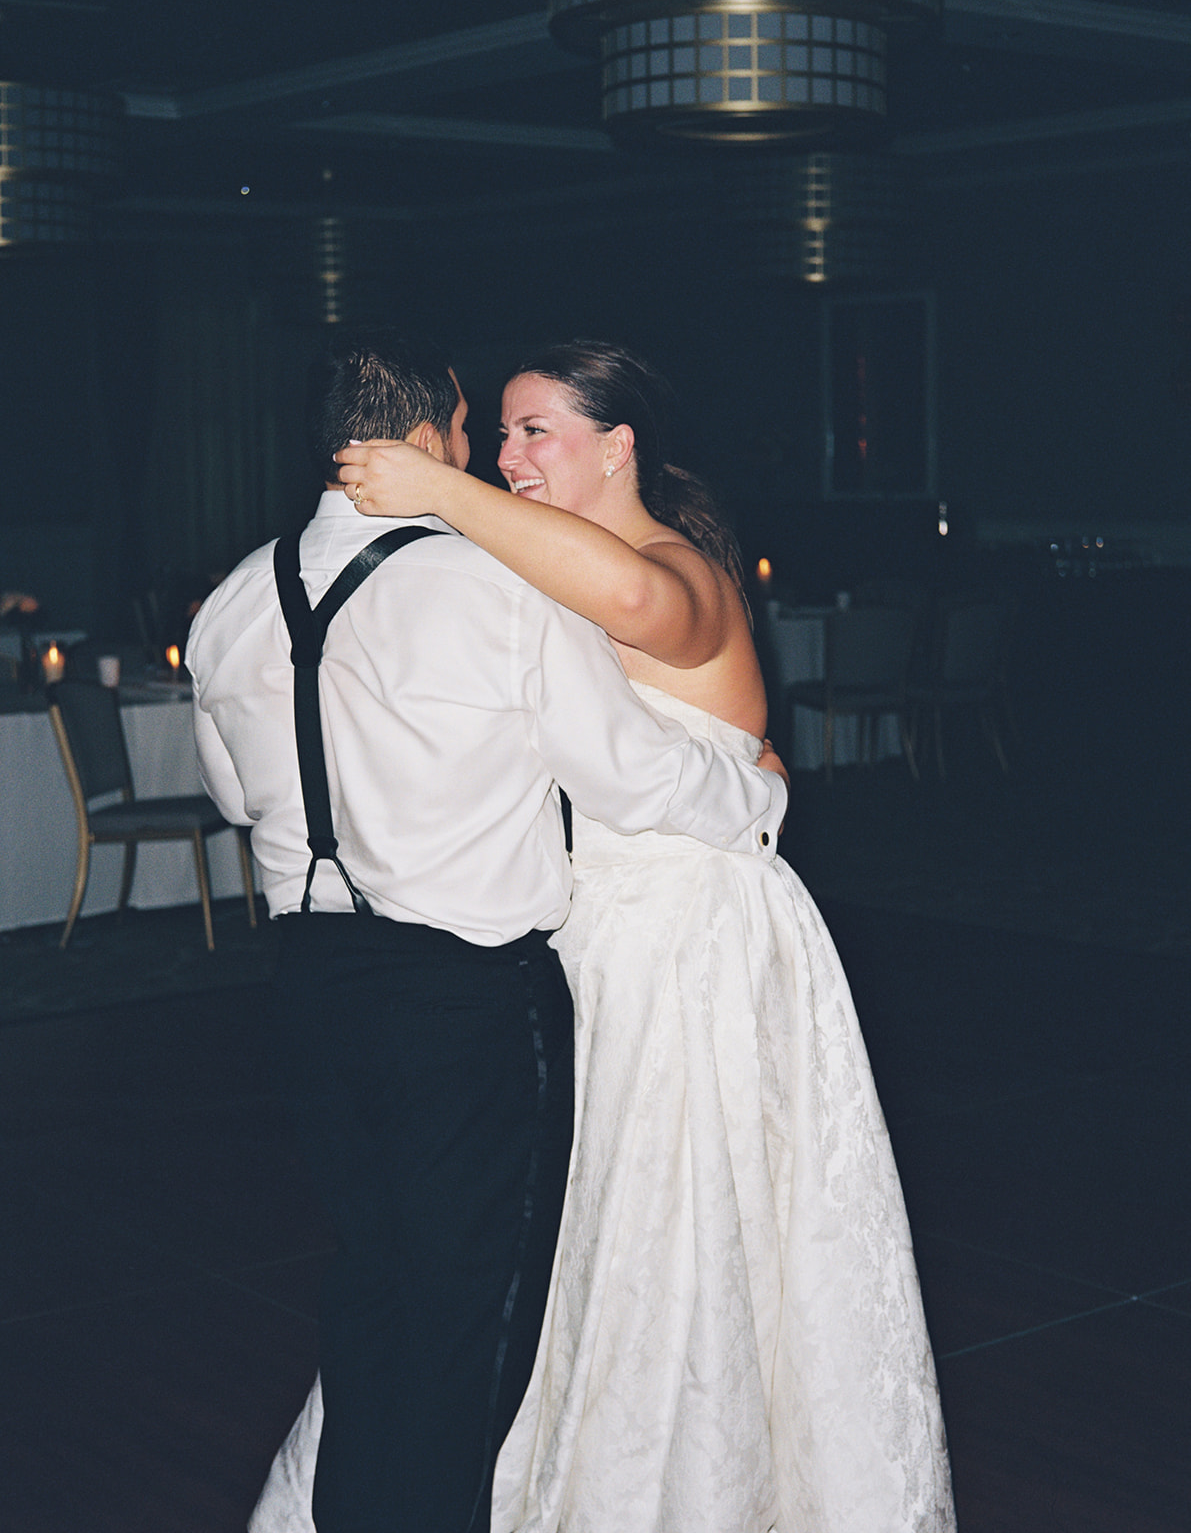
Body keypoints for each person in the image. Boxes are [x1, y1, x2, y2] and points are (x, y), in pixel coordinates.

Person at [253, 340, 955, 1533]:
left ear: (618, 447)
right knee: (542, 1225)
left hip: (687, 940)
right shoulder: (539, 574)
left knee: (666, 1231)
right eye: (504, 432)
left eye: (538, 432)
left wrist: (442, 488)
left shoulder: (675, 565)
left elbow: (638, 608)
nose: (512, 455)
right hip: (581, 935)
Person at [187, 330, 786, 1533]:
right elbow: (627, 775)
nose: (485, 454)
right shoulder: (491, 584)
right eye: (474, 429)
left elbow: (237, 797)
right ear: (432, 431)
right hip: (461, 1004)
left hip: (307, 987)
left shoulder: (231, 601)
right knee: (475, 1331)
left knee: (372, 1291)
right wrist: (757, 792)